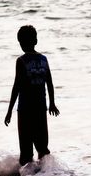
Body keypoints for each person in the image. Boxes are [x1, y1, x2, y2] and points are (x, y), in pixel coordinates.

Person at [4, 25, 60, 166]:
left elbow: (16, 86)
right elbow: (50, 83)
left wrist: (9, 110)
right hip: (41, 108)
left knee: (26, 152)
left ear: (21, 43)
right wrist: (51, 103)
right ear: (35, 41)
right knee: (42, 148)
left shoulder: (21, 61)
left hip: (25, 111)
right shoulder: (43, 59)